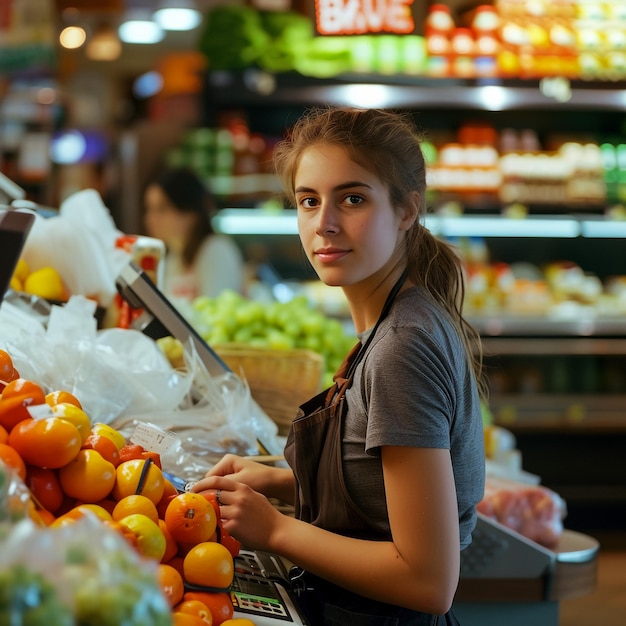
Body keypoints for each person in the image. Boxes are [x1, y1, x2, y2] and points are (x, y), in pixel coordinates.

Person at [191, 107, 487, 625]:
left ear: (406, 210)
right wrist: (282, 482)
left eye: (352, 198)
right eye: (308, 201)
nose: (324, 223)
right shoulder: (391, 319)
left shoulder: (402, 347)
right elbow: (378, 494)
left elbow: (429, 580)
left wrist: (276, 530)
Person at [143, 167, 245, 301]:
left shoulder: (216, 250)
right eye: (148, 209)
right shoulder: (173, 258)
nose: (151, 219)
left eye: (161, 209)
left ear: (189, 213)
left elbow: (216, 312)